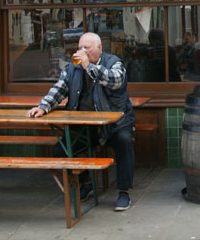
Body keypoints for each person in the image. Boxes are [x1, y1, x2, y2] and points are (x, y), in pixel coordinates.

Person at [27, 32, 135, 211]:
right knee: (60, 151)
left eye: (87, 47)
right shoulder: (72, 66)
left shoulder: (114, 62)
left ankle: (124, 192)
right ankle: (86, 181)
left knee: (124, 142)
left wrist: (88, 66)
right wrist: (43, 106)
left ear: (99, 48)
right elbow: (60, 88)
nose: (82, 51)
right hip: (85, 125)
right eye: (80, 48)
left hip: (114, 123)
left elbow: (116, 80)